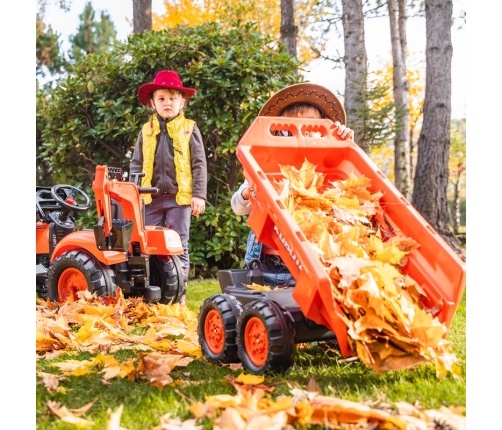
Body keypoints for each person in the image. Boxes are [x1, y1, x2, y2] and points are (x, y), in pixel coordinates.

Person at [231, 83, 354, 287]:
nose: (302, 132)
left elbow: (346, 180)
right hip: (268, 264)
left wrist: (343, 141)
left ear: (323, 127)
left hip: (313, 261)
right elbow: (237, 206)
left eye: (311, 126)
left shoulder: (328, 162)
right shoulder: (267, 161)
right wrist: (248, 192)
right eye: (292, 126)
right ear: (280, 131)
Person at [130, 70, 207, 305]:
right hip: (150, 199)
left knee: (178, 246)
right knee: (148, 244)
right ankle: (153, 294)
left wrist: (199, 195)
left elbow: (199, 163)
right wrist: (134, 191)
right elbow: (136, 163)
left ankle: (180, 295)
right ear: (153, 102)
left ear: (182, 102)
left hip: (179, 199)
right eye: (161, 98)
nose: (167, 103)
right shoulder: (146, 130)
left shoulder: (189, 128)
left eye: (172, 98)